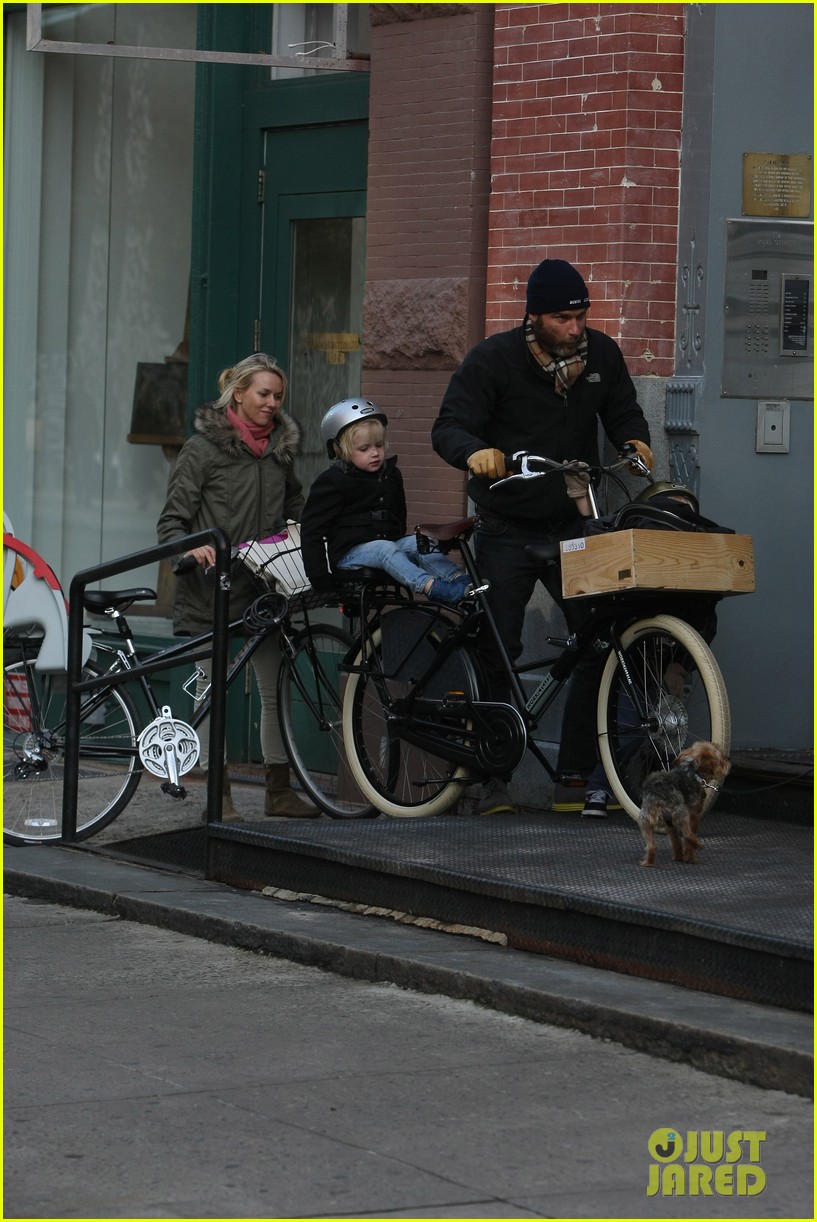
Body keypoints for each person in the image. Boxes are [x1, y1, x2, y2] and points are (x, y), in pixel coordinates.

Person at [432, 259, 653, 817]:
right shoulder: (494, 360)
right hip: (505, 528)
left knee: (597, 641)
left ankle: (574, 776)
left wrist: (635, 440)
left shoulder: (601, 356)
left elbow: (623, 411)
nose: (575, 329)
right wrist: (474, 452)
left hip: (571, 526)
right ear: (534, 316)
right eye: (562, 319)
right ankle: (490, 780)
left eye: (581, 316)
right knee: (497, 650)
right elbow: (448, 426)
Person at [157, 352, 316, 820]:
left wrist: (306, 536)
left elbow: (295, 506)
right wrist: (191, 549)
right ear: (239, 393)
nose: (272, 403)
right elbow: (172, 522)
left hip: (266, 589)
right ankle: (218, 795)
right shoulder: (202, 450)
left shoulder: (280, 450)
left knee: (274, 689)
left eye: (278, 396)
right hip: (212, 591)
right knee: (213, 692)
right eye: (264, 394)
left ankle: (278, 791)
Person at [301, 398, 472, 605]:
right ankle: (432, 587)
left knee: (417, 541)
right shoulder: (333, 481)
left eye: (379, 445)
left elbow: (400, 514)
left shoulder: (391, 474)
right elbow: (312, 530)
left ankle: (460, 581)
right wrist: (319, 577)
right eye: (364, 449)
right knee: (385, 548)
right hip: (349, 555)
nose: (375, 453)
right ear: (342, 450)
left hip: (388, 545)